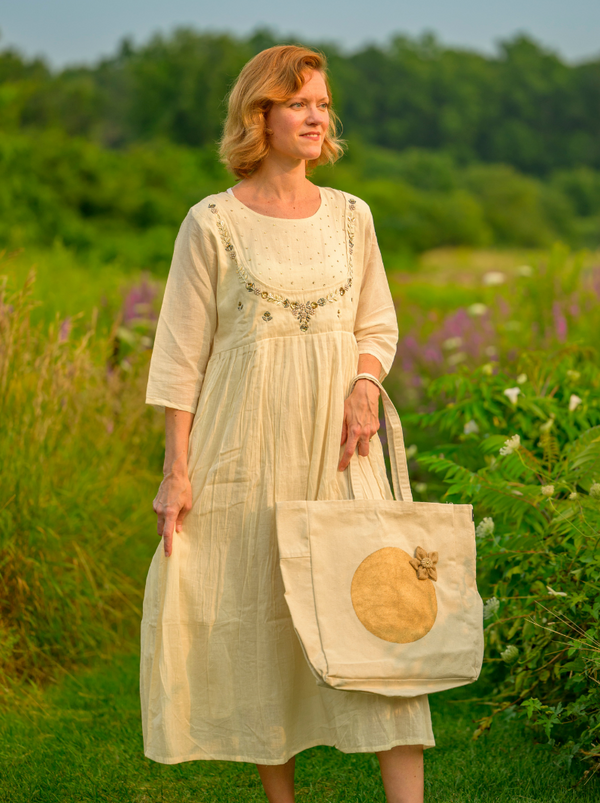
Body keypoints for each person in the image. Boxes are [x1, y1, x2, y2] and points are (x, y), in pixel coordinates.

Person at [140, 44, 434, 803]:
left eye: (323, 104)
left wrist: (366, 381)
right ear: (258, 114)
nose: (316, 116)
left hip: (342, 450)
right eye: (298, 102)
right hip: (248, 445)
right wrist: (177, 470)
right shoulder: (210, 223)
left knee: (381, 616)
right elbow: (180, 355)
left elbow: (378, 322)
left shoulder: (352, 216)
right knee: (261, 621)